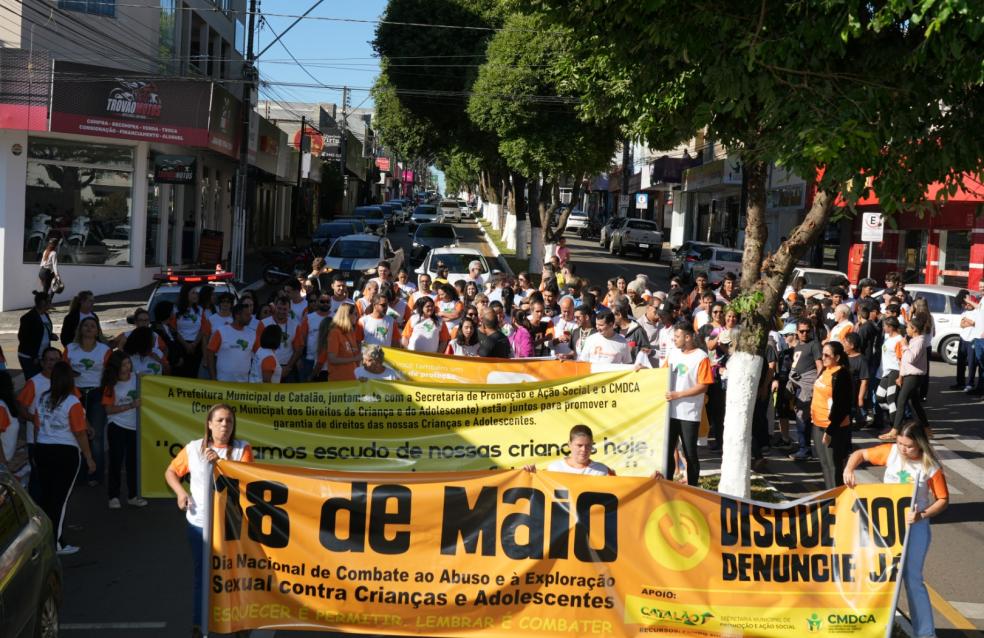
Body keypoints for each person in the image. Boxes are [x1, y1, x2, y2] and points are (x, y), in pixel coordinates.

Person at [843, 422, 948, 638]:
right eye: (900, 443)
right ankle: (876, 627)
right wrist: (849, 469)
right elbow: (860, 454)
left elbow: (943, 499)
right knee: (880, 576)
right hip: (886, 527)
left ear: (919, 445)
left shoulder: (931, 467)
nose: (902, 449)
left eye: (908, 446)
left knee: (912, 578)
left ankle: (926, 633)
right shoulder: (891, 453)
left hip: (915, 528)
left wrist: (922, 514)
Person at [164, 404, 253, 638]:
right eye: (220, 420)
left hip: (230, 526)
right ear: (210, 424)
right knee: (203, 576)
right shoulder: (193, 448)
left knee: (234, 574)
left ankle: (239, 623)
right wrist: (181, 493)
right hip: (200, 523)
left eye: (229, 421)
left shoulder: (242, 449)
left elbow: (245, 482)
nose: (225, 425)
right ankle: (198, 624)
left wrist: (220, 464)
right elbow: (171, 472)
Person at [34, 361, 96, 555]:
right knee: (60, 499)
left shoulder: (43, 398)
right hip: (65, 452)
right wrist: (89, 457)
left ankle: (44, 537)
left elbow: (37, 426)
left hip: (43, 449)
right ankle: (56, 543)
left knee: (47, 496)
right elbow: (79, 432)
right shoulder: (72, 402)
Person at [663, 322, 712, 486]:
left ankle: (692, 488)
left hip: (689, 413)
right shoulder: (673, 354)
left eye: (677, 336)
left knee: (690, 453)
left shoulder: (701, 357)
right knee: (668, 452)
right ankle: (667, 486)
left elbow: (703, 385)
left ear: (688, 337)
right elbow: (660, 375)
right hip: (669, 412)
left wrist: (678, 394)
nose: (674, 339)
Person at [64, 316, 111, 485]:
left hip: (97, 394)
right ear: (80, 329)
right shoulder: (70, 349)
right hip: (75, 395)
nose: (89, 328)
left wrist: (107, 396)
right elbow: (62, 373)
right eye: (86, 325)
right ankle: (79, 473)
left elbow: (109, 375)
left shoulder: (104, 350)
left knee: (95, 435)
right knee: (77, 433)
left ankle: (96, 474)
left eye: (93, 326)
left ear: (98, 330)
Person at [100, 351, 145, 510]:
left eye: (128, 363)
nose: (127, 367)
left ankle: (133, 495)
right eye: (123, 364)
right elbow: (108, 410)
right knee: (116, 461)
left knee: (133, 463)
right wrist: (130, 406)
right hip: (117, 426)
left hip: (135, 427)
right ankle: (113, 496)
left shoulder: (138, 378)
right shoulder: (110, 385)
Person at [811, 341, 853, 489]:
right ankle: (830, 498)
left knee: (834, 466)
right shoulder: (825, 370)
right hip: (818, 424)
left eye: (827, 355)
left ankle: (837, 501)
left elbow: (842, 406)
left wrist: (830, 430)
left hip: (834, 428)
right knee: (825, 464)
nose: (823, 358)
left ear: (837, 357)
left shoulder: (841, 375)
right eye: (822, 354)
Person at [882, 314, 930, 440]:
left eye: (908, 327)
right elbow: (903, 361)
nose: (906, 330)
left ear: (914, 329)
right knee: (915, 403)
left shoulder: (919, 341)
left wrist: (904, 345)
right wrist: (901, 376)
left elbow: (910, 358)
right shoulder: (913, 340)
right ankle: (927, 428)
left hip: (914, 376)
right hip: (908, 375)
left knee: (901, 401)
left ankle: (895, 429)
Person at [787, 320, 823, 461]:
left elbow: (820, 365)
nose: (804, 333)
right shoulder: (798, 346)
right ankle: (804, 446)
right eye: (801, 331)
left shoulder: (814, 344)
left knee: (803, 417)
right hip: (797, 385)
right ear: (797, 331)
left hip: (808, 385)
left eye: (807, 331)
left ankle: (805, 449)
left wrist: (816, 383)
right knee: (800, 416)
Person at [524, 424, 614, 475]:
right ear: (569, 445)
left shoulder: (602, 470)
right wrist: (531, 474)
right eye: (579, 445)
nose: (584, 449)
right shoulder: (554, 468)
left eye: (588, 445)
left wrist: (615, 478)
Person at [204, 302, 255, 383]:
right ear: (237, 315)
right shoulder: (221, 331)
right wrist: (213, 378)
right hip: (222, 383)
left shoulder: (253, 334)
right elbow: (210, 353)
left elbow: (259, 355)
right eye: (247, 315)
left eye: (250, 314)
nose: (250, 317)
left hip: (243, 384)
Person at [256, 296, 303, 382]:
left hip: (288, 368)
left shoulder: (295, 326)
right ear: (275, 308)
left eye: (285, 309)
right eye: (279, 308)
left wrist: (288, 367)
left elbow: (298, 349)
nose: (281, 311)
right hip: (268, 367)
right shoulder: (264, 323)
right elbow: (258, 347)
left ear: (289, 310)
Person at [170, 285, 210, 379]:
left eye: (196, 293)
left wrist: (194, 344)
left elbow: (203, 329)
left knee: (194, 374)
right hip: (180, 346)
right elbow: (173, 329)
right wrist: (185, 344)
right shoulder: (175, 309)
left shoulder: (200, 310)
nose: (196, 295)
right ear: (185, 295)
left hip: (196, 346)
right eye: (193, 293)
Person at [17, 291, 57, 380]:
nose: (51, 303)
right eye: (49, 301)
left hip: (42, 356)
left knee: (43, 380)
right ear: (43, 302)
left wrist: (50, 336)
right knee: (33, 382)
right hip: (29, 357)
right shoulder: (28, 318)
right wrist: (34, 356)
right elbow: (23, 339)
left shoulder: (45, 315)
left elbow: (41, 332)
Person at [318, 303, 363, 381]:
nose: (357, 316)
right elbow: (332, 359)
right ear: (347, 315)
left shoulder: (351, 332)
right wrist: (354, 358)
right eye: (355, 314)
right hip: (339, 381)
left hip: (352, 379)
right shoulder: (335, 332)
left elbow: (355, 355)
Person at [843, 332, 869, 429]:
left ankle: (860, 420)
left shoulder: (861, 360)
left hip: (853, 396)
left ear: (852, 345)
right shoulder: (843, 357)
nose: (843, 343)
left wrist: (860, 398)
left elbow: (864, 381)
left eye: (845, 342)